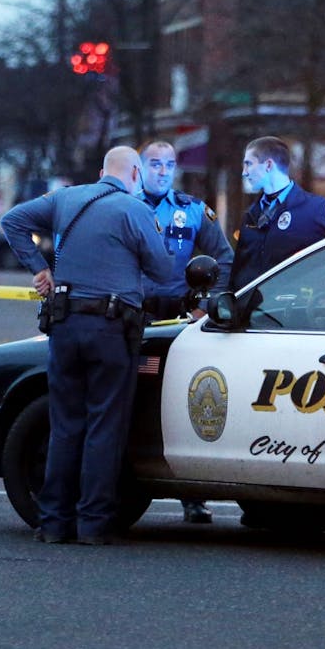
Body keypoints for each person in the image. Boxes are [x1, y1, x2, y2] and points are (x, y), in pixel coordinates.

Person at [1, 146, 174, 546]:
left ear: (101, 173)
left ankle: (54, 523)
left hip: (65, 325)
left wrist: (39, 268)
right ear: (134, 173)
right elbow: (163, 270)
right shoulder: (135, 210)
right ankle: (93, 523)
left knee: (65, 425)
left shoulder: (65, 198)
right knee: (104, 426)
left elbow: (13, 221)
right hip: (112, 331)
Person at [138, 139, 234, 525]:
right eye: (155, 164)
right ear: (140, 168)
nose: (162, 171)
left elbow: (223, 257)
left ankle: (192, 496)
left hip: (181, 316)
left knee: (185, 402)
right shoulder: (124, 206)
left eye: (168, 165)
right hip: (135, 314)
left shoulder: (192, 211)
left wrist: (203, 305)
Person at [228, 135, 325, 292]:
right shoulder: (252, 214)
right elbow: (239, 272)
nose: (244, 172)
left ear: (268, 165)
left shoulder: (314, 209)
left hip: (294, 313)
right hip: (251, 314)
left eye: (249, 164)